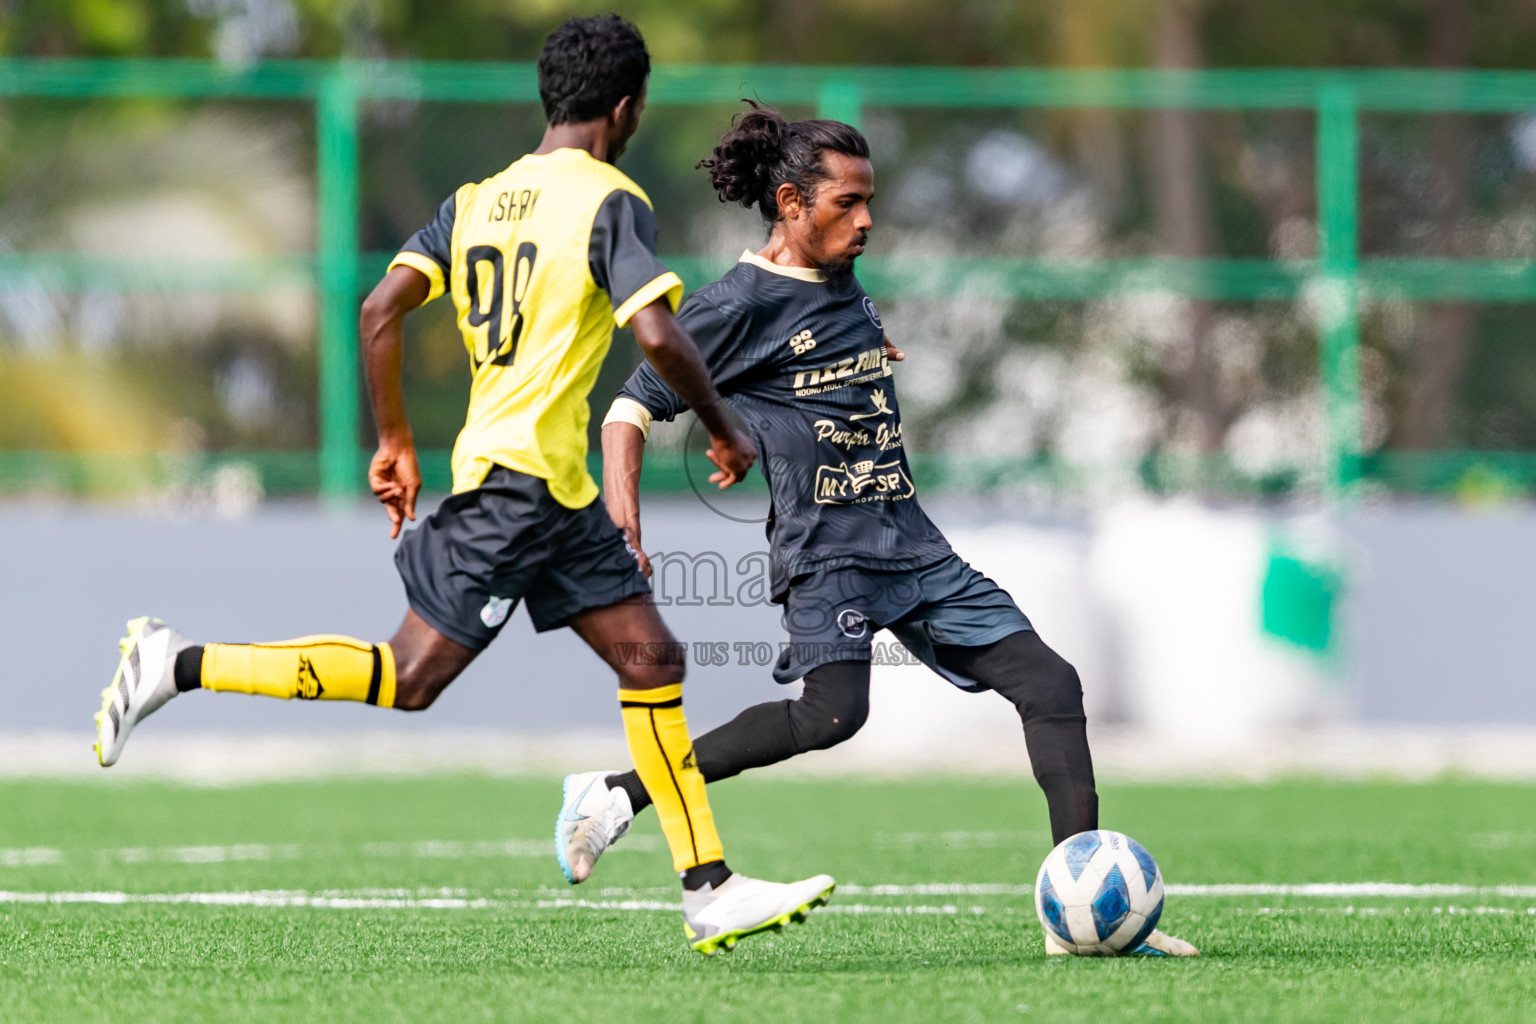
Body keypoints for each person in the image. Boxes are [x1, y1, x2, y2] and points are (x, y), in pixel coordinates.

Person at [92, 17, 833, 957]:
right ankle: (176, 663)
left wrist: (396, 438)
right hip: (518, 488)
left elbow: (380, 308)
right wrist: (726, 429)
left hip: (552, 491)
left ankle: (709, 888)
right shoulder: (610, 199)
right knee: (410, 678)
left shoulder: (477, 199)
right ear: (625, 108)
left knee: (652, 661)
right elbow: (656, 336)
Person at [553, 103, 1197, 957]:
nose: (866, 220)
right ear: (789, 204)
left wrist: (847, 367)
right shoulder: (736, 304)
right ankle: (619, 791)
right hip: (829, 558)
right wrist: (622, 505)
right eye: (846, 203)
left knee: (1051, 683)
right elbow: (631, 407)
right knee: (832, 718)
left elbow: (819, 361)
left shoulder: (840, 276)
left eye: (869, 201)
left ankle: (1079, 925)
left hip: (915, 547)